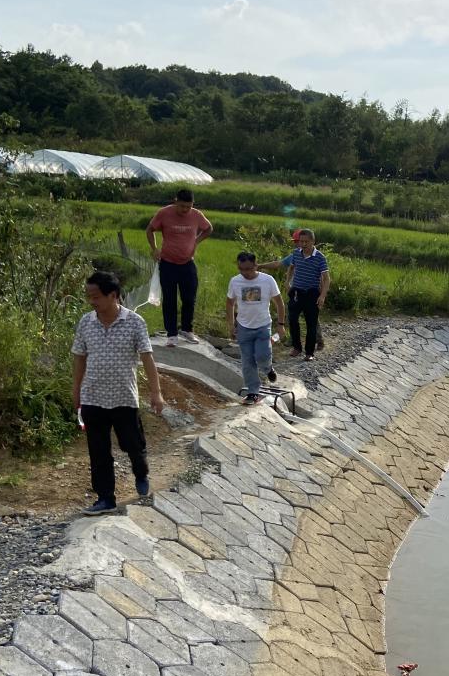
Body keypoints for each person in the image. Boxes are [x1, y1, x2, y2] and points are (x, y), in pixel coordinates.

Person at [71, 270, 165, 516]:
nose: (91, 301)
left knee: (132, 444)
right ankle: (105, 497)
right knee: (98, 450)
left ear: (113, 295)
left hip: (124, 397)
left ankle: (141, 472)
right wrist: (77, 389)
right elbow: (79, 359)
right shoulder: (86, 323)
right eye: (89, 296)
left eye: (96, 296)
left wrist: (156, 393)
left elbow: (147, 358)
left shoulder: (134, 322)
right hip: (93, 397)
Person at [146, 188, 213, 346]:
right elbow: (150, 230)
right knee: (169, 299)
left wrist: (196, 241)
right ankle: (172, 334)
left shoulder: (196, 215)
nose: (185, 210)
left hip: (187, 263)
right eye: (182, 206)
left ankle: (187, 329)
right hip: (168, 263)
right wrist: (154, 248)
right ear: (175, 201)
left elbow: (209, 228)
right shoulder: (164, 213)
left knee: (189, 298)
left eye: (188, 207)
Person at [226, 252, 287, 405]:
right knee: (247, 362)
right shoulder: (235, 281)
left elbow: (279, 303)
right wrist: (231, 325)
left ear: (255, 265)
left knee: (262, 356)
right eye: (241, 269)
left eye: (248, 269)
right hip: (243, 327)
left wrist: (280, 325)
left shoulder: (267, 280)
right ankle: (253, 392)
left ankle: (268, 369)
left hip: (263, 326)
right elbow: (230, 303)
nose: (245, 273)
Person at [281, 229, 330, 361]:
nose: (303, 244)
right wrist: (287, 282)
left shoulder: (320, 257)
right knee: (292, 320)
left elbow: (326, 279)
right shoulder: (296, 253)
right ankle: (297, 347)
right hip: (296, 291)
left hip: (312, 293)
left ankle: (309, 353)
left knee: (311, 324)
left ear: (313, 241)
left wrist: (322, 296)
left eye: (306, 242)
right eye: (301, 241)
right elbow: (291, 267)